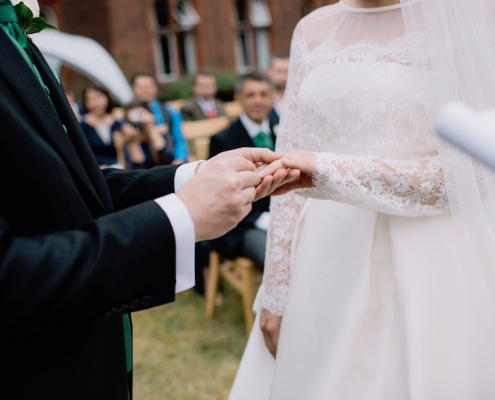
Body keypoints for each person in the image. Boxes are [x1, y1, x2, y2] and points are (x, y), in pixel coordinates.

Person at [0, 2, 296, 398]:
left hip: (92, 359)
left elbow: (75, 187)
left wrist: (195, 176)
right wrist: (181, 216)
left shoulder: (15, 35)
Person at [229, 0, 495, 399]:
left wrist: (331, 171)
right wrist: (276, 293)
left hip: (428, 258)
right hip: (324, 256)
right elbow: (287, 159)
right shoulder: (311, 30)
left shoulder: (461, 19)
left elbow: (476, 172)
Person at [209, 73, 277, 271]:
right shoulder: (223, 140)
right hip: (243, 224)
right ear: (238, 98)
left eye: (263, 94)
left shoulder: (284, 131)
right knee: (274, 258)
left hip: (282, 213)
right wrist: (262, 219)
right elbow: (222, 194)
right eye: (251, 95)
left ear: (272, 97)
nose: (258, 101)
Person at [131, 72, 188, 164]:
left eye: (149, 86)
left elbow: (179, 139)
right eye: (141, 87)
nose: (145, 90)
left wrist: (179, 159)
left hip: (168, 160)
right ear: (133, 89)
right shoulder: (128, 114)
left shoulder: (170, 111)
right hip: (141, 163)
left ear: (155, 88)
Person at [80, 84, 122, 167]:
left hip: (119, 166)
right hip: (96, 168)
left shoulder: (117, 122)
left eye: (99, 97)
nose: (96, 103)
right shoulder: (82, 126)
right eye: (90, 99)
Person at [265, 52, 289, 121]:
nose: (283, 77)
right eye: (279, 71)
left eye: (286, 72)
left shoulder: (296, 98)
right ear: (268, 71)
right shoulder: (262, 97)